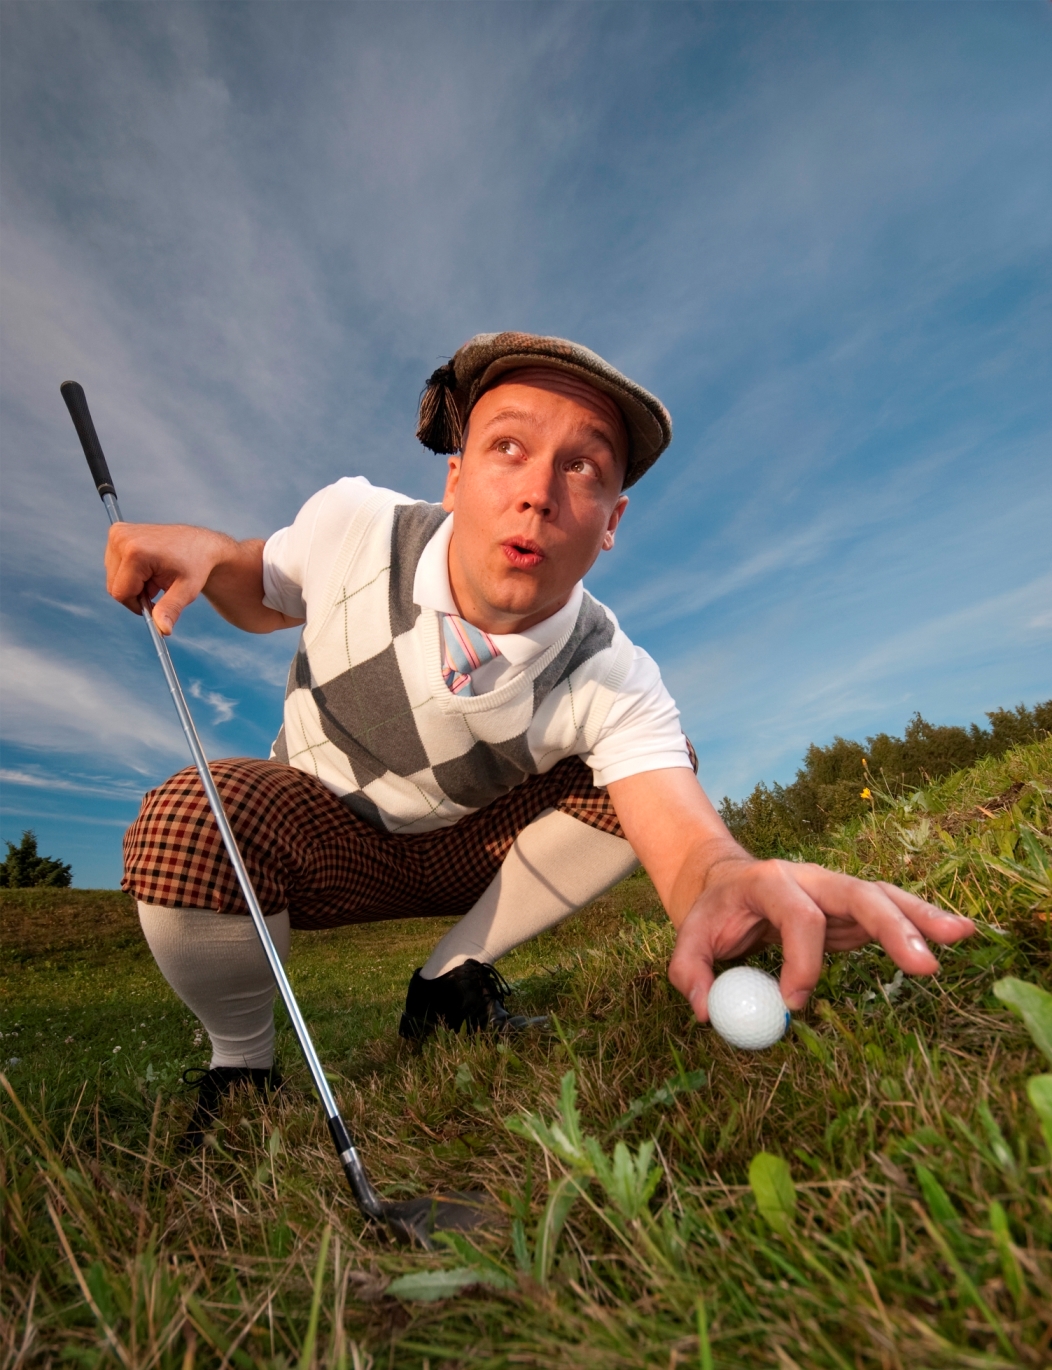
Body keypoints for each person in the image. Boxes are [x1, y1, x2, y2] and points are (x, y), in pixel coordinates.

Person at [106, 332, 973, 1134]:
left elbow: (682, 834)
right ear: (455, 477)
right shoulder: (355, 523)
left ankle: (449, 983)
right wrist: (211, 553)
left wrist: (728, 879)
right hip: (317, 838)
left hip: (472, 855)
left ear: (612, 526)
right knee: (191, 818)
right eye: (508, 448)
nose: (537, 493)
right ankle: (242, 1070)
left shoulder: (615, 672)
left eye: (585, 468)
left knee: (645, 771)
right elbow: (261, 587)